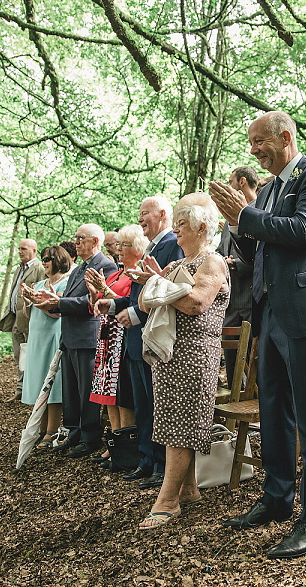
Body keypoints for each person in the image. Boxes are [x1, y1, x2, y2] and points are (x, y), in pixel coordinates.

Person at [210, 110, 306, 559]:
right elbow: (260, 250)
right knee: (272, 410)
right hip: (269, 312)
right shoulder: (268, 190)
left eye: (259, 142)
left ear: (285, 137)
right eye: (251, 142)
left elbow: (302, 232)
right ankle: (276, 498)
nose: (253, 150)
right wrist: (237, 225)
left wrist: (245, 214)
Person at [122, 193, 229, 530]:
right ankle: (189, 490)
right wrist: (155, 282)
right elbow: (145, 300)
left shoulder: (212, 263)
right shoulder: (176, 266)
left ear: (201, 227)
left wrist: (160, 285)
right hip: (171, 354)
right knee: (169, 420)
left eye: (182, 225)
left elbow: (197, 303)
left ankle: (167, 501)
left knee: (182, 425)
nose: (177, 231)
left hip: (196, 354)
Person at [100, 196, 184, 490]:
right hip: (134, 342)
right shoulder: (151, 247)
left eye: (144, 214)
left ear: (162, 214)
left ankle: (161, 465)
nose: (140, 219)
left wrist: (134, 313)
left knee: (156, 405)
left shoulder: (173, 244)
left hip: (154, 337)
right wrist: (111, 306)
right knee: (143, 405)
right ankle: (146, 460)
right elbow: (139, 293)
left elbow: (167, 293)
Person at [33, 225, 116, 458]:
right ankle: (74, 432)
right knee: (70, 391)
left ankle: (90, 436)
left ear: (96, 241)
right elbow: (70, 299)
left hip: (88, 336)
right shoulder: (79, 268)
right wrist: (53, 301)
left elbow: (91, 302)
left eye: (81, 238)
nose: (76, 242)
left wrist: (58, 303)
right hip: (69, 336)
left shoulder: (106, 265)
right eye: (76, 238)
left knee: (86, 390)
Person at [84, 224, 146, 468]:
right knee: (108, 397)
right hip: (106, 339)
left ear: (138, 249)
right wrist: (93, 293)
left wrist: (103, 290)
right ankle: (114, 444)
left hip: (123, 336)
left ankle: (126, 448)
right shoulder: (114, 274)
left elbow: (126, 302)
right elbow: (97, 306)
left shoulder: (137, 275)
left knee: (123, 394)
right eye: (118, 245)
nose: (119, 249)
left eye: (124, 245)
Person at [20, 245, 73, 449]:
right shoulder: (40, 283)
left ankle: (51, 430)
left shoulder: (66, 283)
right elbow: (30, 314)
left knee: (53, 382)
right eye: (42, 259)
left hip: (53, 335)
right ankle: (40, 428)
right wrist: (28, 301)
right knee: (38, 380)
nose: (44, 263)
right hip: (37, 337)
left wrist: (40, 303)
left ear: (58, 260)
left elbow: (57, 313)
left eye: (47, 259)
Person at [218, 166, 258, 387]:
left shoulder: (259, 210)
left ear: (242, 182)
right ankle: (236, 399)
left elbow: (262, 252)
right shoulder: (228, 217)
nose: (228, 184)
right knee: (232, 359)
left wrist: (238, 264)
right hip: (231, 300)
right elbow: (222, 248)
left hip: (251, 299)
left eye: (230, 180)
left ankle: (255, 405)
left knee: (254, 359)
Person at [0, 239, 45, 402]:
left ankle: (31, 390)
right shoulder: (19, 268)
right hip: (15, 318)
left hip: (29, 318)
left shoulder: (39, 268)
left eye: (23, 249)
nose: (20, 251)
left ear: (34, 250)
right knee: (19, 355)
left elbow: (41, 291)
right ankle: (20, 389)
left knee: (30, 354)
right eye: (18, 249)